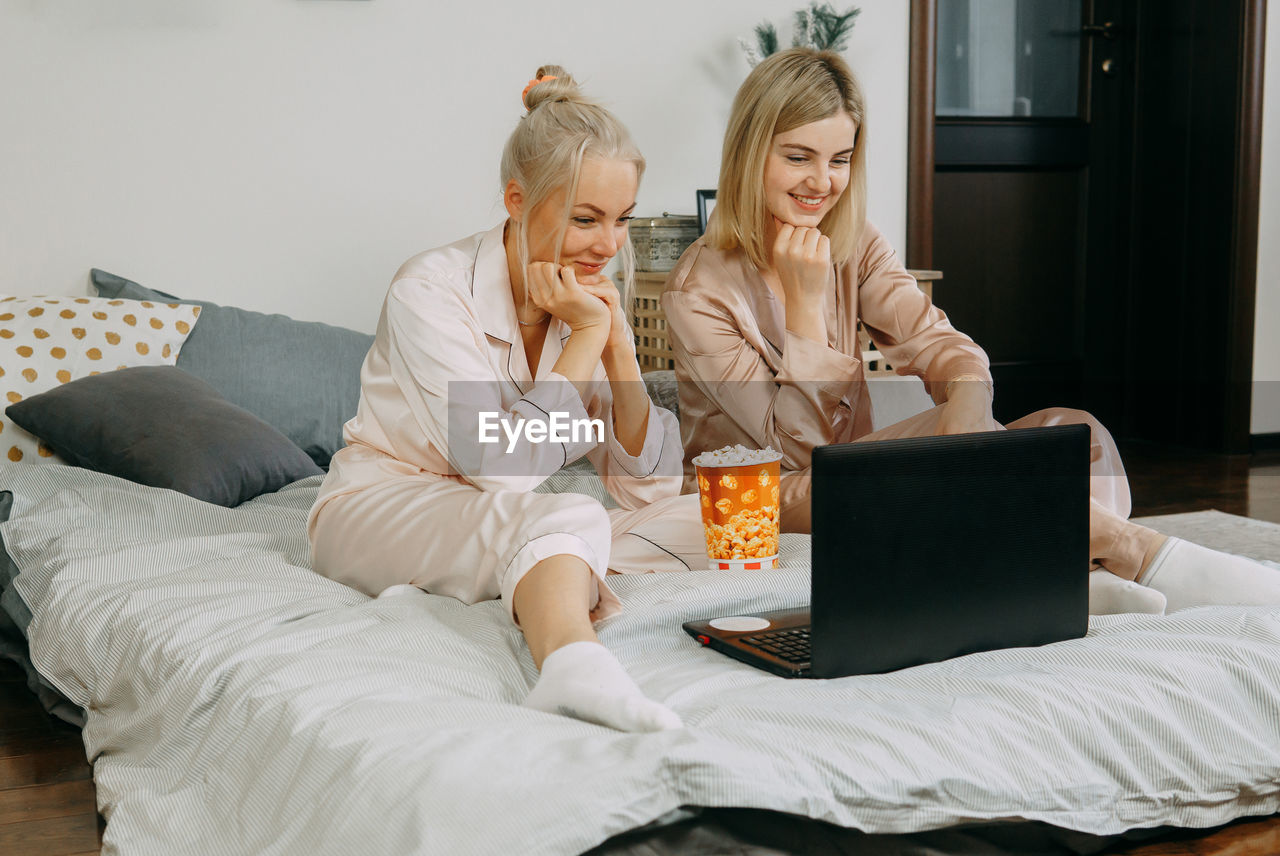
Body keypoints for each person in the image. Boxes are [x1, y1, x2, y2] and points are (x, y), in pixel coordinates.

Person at [662, 48, 1280, 614]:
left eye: (840, 159)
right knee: (958, 452)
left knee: (1072, 432)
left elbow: (937, 341)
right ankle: (1126, 551)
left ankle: (1073, 563)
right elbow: (794, 456)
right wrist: (804, 307)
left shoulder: (855, 242)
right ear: (750, 153)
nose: (821, 182)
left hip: (858, 476)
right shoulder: (698, 290)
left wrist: (967, 403)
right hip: (757, 502)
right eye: (798, 157)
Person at [309, 66, 703, 733]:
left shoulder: (588, 296)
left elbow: (651, 490)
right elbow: (503, 469)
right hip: (381, 506)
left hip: (494, 513)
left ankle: (553, 569)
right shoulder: (428, 290)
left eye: (621, 221)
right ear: (517, 200)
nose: (608, 246)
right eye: (585, 219)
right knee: (566, 513)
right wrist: (583, 339)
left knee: (705, 523)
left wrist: (620, 352)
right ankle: (574, 667)